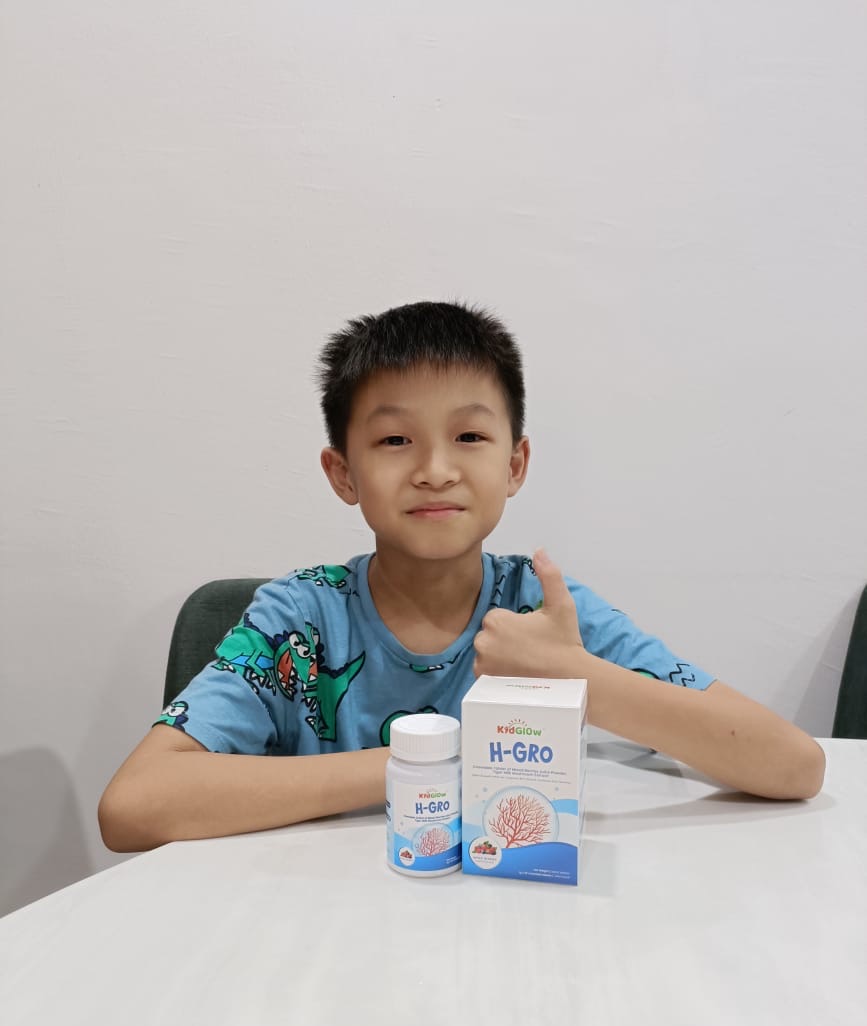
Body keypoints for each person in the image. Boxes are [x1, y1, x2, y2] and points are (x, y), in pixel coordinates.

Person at [98, 302, 824, 852]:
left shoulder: (543, 613)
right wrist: (423, 765)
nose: (435, 469)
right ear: (343, 473)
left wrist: (579, 678)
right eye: (394, 439)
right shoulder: (300, 619)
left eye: (469, 436)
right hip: (322, 927)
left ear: (515, 465)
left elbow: (793, 767)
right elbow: (133, 807)